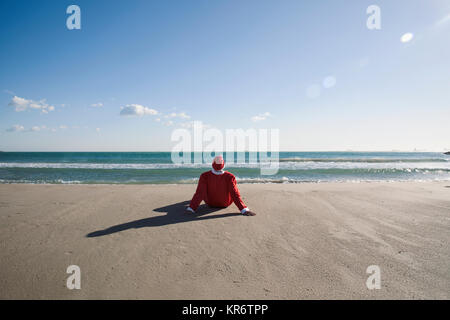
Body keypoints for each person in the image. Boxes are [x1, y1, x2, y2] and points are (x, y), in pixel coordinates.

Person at [186, 155, 256, 216]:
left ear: (212, 164)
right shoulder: (230, 176)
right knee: (234, 191)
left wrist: (191, 208)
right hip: (225, 203)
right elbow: (234, 194)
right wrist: (243, 209)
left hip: (210, 203)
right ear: (223, 165)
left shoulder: (204, 175)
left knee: (202, 191)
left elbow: (200, 193)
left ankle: (191, 206)